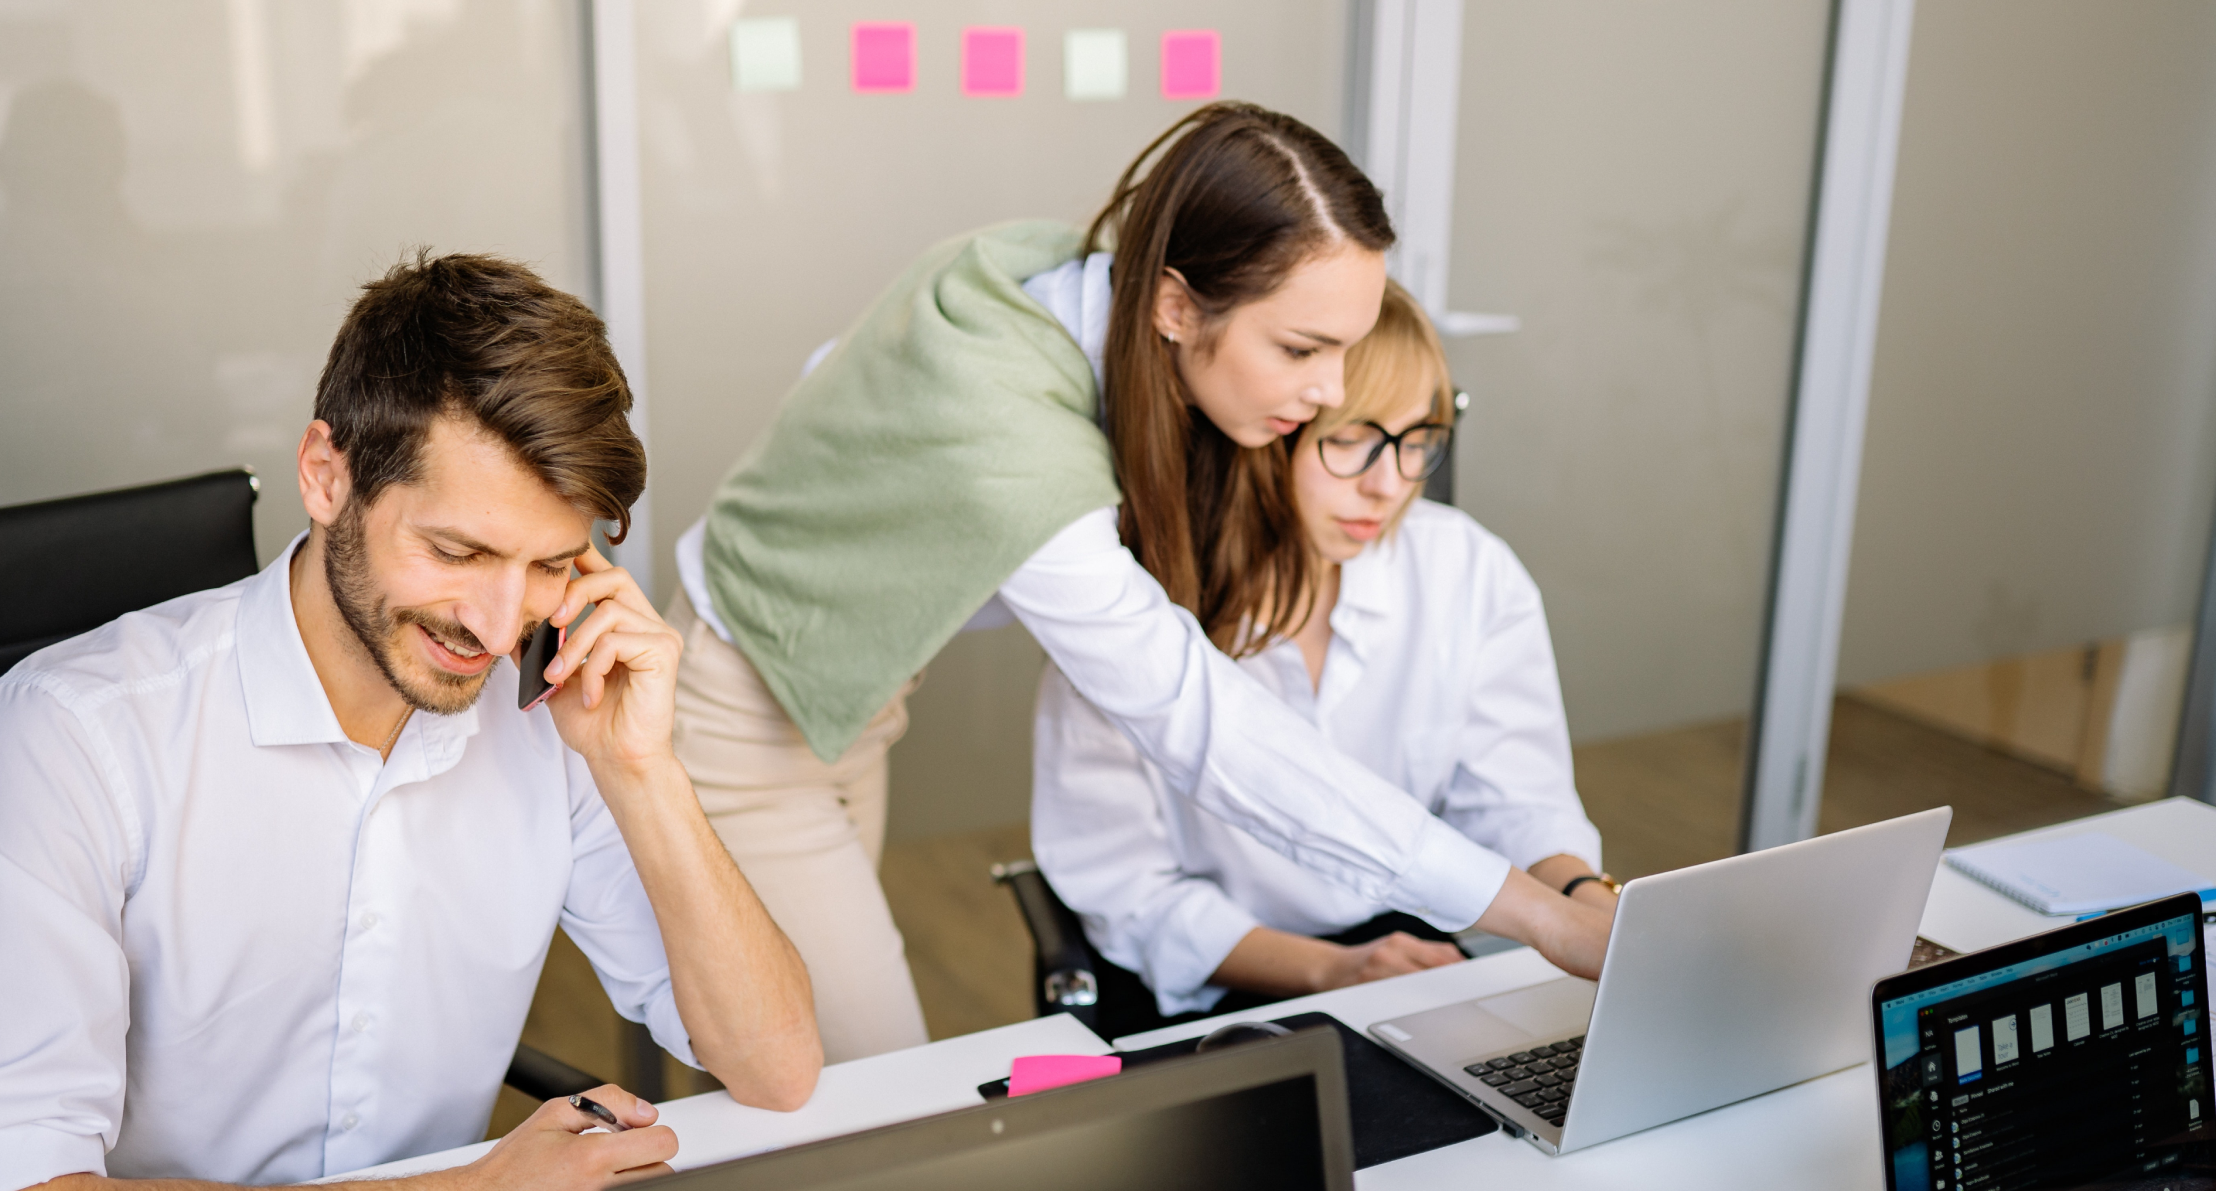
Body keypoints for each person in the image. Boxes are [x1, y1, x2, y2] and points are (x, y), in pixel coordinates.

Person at [0, 253, 821, 1191]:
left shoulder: (551, 718)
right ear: (326, 475)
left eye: (549, 565)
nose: (496, 625)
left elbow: (775, 1066)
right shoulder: (75, 739)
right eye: (456, 550)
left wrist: (642, 770)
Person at [669, 103, 1614, 1061]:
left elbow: (832, 370)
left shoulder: (1071, 275)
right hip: (745, 718)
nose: (1334, 390)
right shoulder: (1015, 439)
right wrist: (1534, 914)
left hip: (850, 703)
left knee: (768, 1057)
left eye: (1346, 345)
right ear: (1173, 305)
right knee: (857, 1094)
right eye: (1300, 349)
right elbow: (1202, 723)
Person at [1031, 282, 1615, 1032]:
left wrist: (1597, 911)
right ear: (1271, 430)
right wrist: (1332, 971)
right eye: (1350, 441)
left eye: (1419, 441)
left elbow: (1518, 801)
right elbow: (1131, 893)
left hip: (1409, 950)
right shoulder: (1130, 619)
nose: (1390, 484)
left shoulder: (1466, 569)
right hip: (1228, 985)